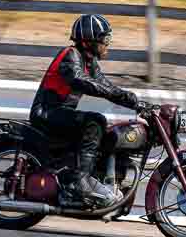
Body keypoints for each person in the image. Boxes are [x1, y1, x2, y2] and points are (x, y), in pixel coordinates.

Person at [29, 13, 139, 208]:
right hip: (46, 114)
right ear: (89, 40)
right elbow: (81, 81)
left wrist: (136, 103)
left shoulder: (90, 62)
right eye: (104, 39)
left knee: (106, 129)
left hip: (61, 114)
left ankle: (98, 179)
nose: (107, 44)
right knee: (95, 121)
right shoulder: (70, 55)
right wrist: (121, 96)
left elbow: (106, 86)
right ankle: (79, 183)